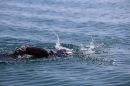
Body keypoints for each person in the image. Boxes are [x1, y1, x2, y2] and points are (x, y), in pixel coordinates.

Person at [0, 46, 71, 59]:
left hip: (20, 52)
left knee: (4, 55)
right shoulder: (45, 53)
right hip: (19, 53)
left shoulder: (46, 53)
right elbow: (24, 49)